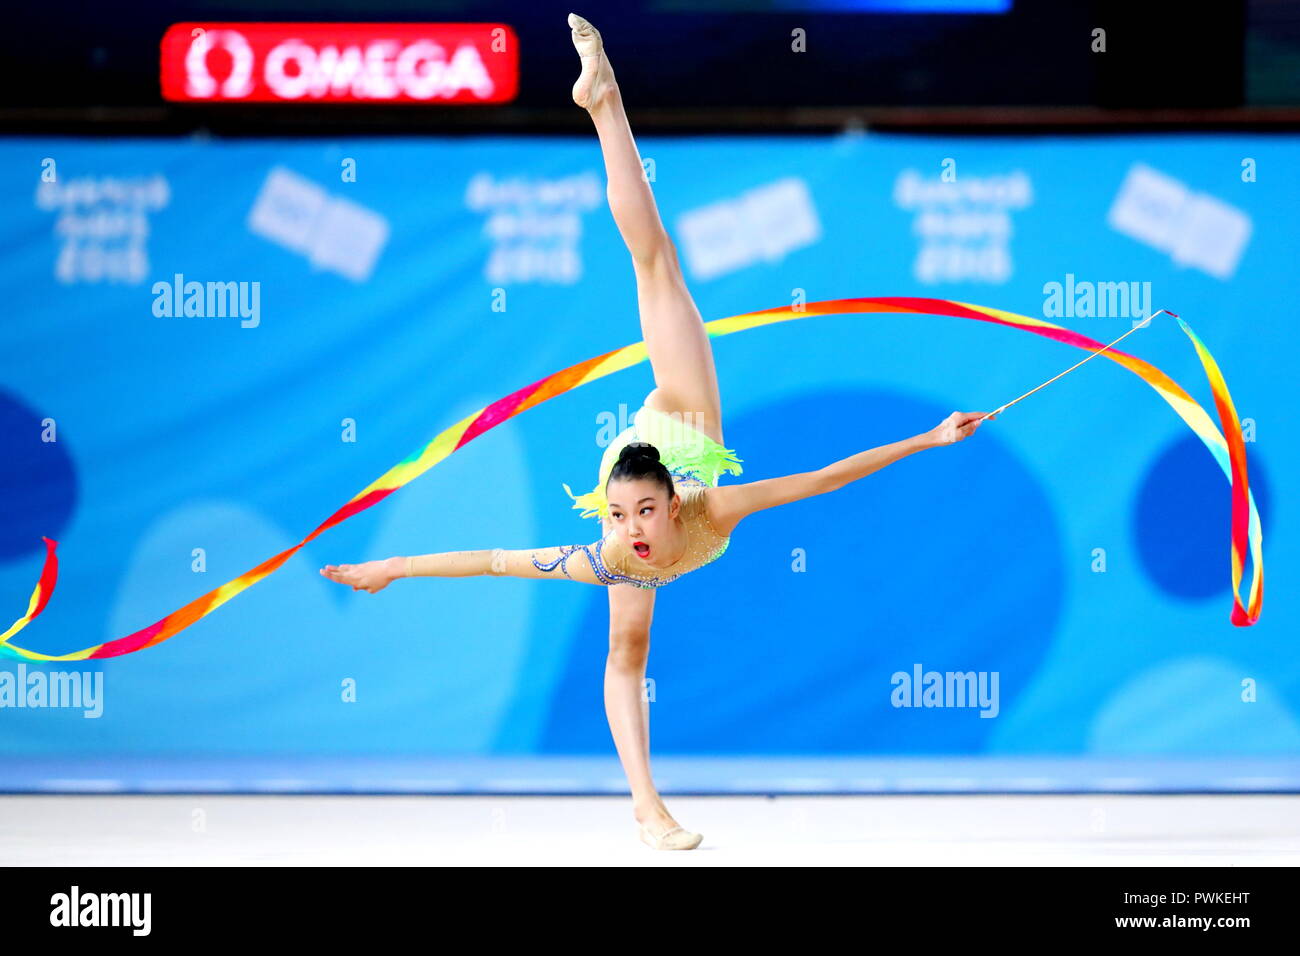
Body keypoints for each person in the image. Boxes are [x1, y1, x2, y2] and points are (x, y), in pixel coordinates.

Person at [322, 13, 995, 850]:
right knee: (625, 655)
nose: (630, 534)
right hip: (658, 431)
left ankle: (604, 103)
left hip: (669, 425)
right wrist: (390, 568)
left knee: (656, 262)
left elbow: (825, 477)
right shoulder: (630, 544)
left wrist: (929, 440)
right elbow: (491, 561)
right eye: (620, 519)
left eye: (639, 516)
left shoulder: (702, 507)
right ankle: (648, 806)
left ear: (670, 506)